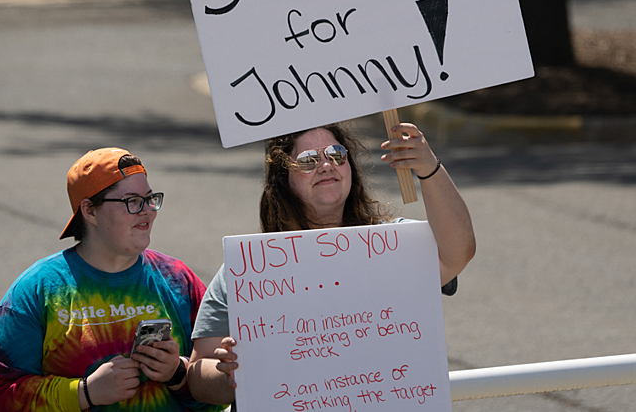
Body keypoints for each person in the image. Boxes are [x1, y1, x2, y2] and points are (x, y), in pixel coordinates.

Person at [186, 122, 476, 406]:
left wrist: (429, 168)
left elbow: (458, 252)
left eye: (337, 154)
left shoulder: (393, 245)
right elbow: (199, 376)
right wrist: (227, 375)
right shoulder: (250, 269)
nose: (326, 165)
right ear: (283, 179)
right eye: (308, 160)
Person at [0, 147, 222, 412]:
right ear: (90, 211)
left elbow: (223, 390)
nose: (148, 212)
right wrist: (86, 392)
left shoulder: (178, 280)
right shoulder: (39, 289)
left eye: (150, 199)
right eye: (132, 201)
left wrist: (177, 373)